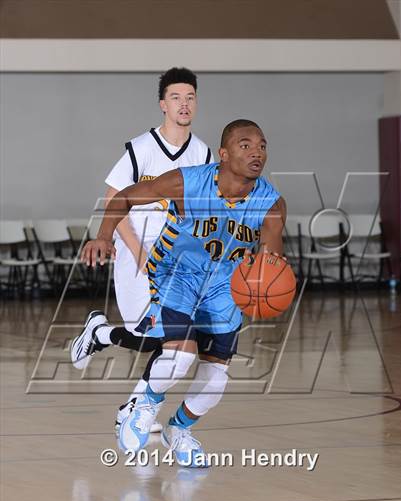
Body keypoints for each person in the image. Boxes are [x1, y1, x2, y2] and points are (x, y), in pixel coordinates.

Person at [81, 119, 286, 467]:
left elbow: (271, 252)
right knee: (180, 355)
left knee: (217, 376)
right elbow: (126, 196)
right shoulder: (188, 181)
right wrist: (103, 235)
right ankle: (145, 403)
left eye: (262, 146)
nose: (257, 152)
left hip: (224, 282)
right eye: (246, 145)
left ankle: (179, 430)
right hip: (178, 272)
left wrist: (267, 275)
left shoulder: (271, 202)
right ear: (223, 153)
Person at [70, 67, 213, 433]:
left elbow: (202, 211)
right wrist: (137, 251)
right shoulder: (142, 148)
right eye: (176, 97)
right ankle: (100, 333)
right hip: (137, 247)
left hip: (177, 257)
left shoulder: (202, 153)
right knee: (151, 336)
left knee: (179, 342)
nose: (184, 104)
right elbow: (113, 200)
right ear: (163, 104)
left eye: (190, 97)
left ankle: (136, 407)